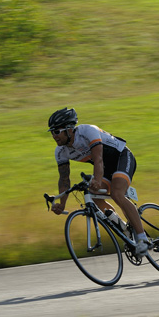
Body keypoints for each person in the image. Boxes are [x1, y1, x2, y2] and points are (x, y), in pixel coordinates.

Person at [47, 108, 151, 254]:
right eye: (51, 132)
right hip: (105, 168)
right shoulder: (60, 152)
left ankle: (142, 238)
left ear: (69, 129)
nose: (54, 136)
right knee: (93, 195)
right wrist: (62, 203)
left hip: (122, 157)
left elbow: (98, 159)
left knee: (116, 194)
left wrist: (96, 178)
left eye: (56, 131)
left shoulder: (88, 131)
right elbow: (64, 179)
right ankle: (122, 227)